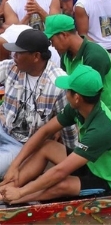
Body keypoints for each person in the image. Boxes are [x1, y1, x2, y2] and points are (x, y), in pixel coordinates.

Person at [0, 65, 111, 204]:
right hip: (93, 164)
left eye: (67, 91)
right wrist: (14, 166)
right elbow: (45, 131)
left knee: (61, 184)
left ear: (77, 97)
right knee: (48, 146)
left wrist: (22, 192)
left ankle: (15, 197)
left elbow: (60, 171)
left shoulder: (101, 130)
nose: (65, 93)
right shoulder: (79, 107)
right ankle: (7, 187)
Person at [0, 29, 74, 177]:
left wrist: (72, 162)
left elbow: (68, 128)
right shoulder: (10, 66)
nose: (14, 56)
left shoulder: (58, 83)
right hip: (3, 128)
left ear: (36, 56)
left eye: (19, 53)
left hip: (24, 147)